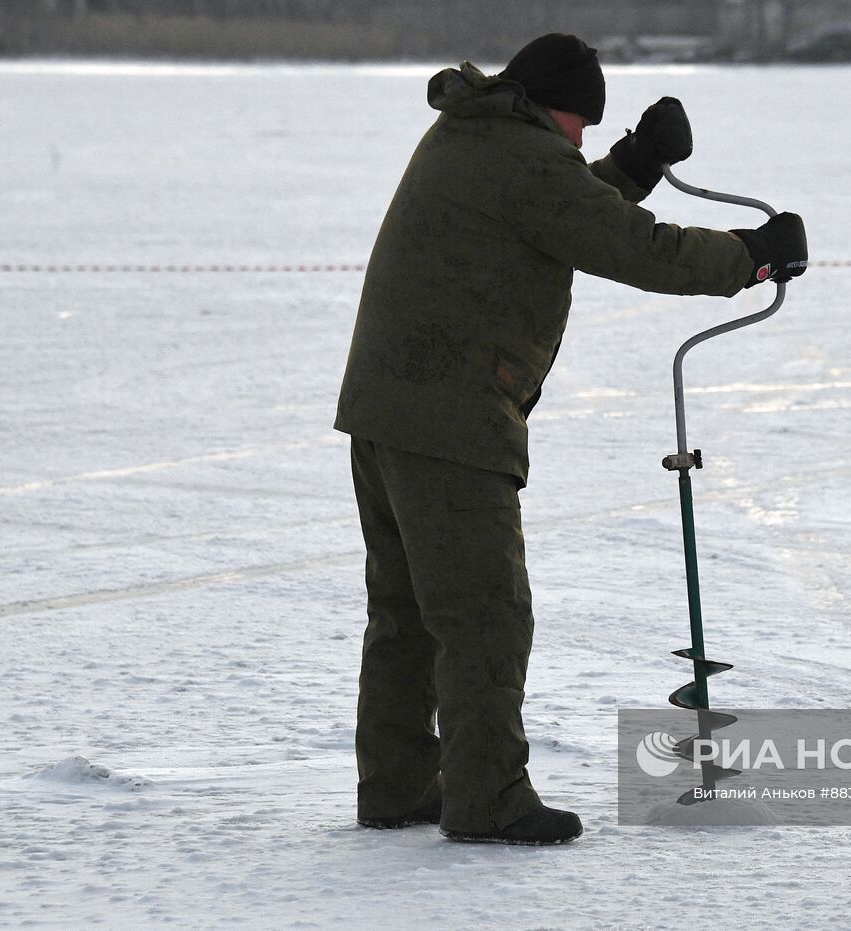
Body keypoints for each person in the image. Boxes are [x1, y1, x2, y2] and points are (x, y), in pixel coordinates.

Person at [334, 33, 807, 846]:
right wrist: (750, 258)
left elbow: (563, 204)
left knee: (409, 610)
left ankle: (399, 780)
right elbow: (623, 242)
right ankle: (485, 798)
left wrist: (635, 162)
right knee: (486, 613)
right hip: (451, 417)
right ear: (554, 110)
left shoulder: (477, 133)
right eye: (583, 126)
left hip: (387, 410)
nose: (584, 140)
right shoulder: (518, 155)